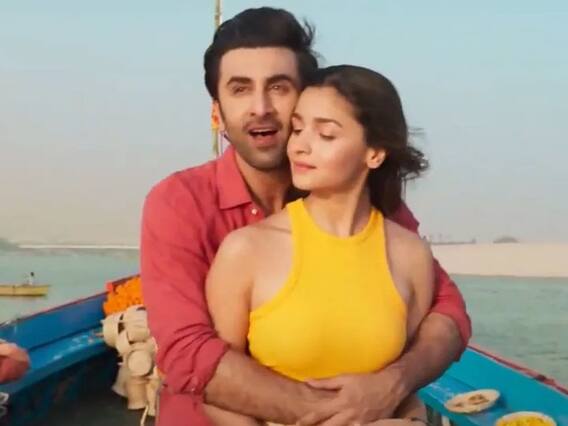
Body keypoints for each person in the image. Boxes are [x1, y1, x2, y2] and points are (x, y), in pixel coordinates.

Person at [141, 7, 471, 426]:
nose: (261, 107)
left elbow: (447, 310)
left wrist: (394, 383)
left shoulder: (375, 209)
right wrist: (345, 414)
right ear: (216, 113)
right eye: (240, 89)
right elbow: (189, 352)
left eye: (278, 87)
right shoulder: (179, 203)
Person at [205, 65, 434, 426]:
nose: (299, 146)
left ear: (374, 153)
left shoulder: (411, 256)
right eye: (297, 129)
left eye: (326, 134)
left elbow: (400, 391)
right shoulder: (246, 250)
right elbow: (217, 391)